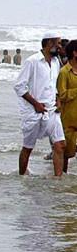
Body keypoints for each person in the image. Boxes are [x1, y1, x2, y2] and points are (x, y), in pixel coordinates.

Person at [14, 32, 66, 177]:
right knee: (28, 148)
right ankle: (22, 177)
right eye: (59, 43)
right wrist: (36, 104)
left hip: (52, 110)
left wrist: (58, 100)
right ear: (49, 43)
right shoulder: (33, 61)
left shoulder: (56, 62)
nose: (60, 46)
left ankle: (58, 179)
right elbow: (19, 86)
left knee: (60, 145)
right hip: (34, 112)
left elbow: (52, 85)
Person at [58, 40, 77, 173]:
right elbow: (62, 95)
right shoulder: (64, 72)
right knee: (67, 153)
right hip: (69, 119)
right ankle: (62, 179)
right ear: (75, 53)